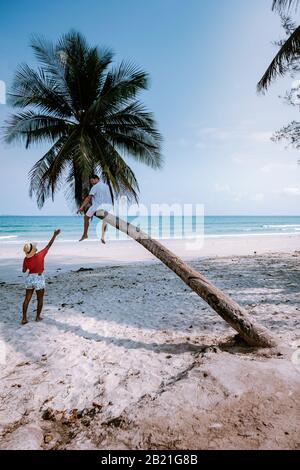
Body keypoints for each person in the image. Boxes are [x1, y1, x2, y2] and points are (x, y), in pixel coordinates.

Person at [21, 229, 61, 325]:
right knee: (40, 299)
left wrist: (29, 265)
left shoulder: (26, 259)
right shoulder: (40, 255)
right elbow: (49, 245)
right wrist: (55, 235)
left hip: (30, 278)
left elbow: (23, 271)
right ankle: (37, 317)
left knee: (27, 299)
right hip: (39, 277)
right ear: (33, 250)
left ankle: (24, 318)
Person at [78, 175, 111, 243]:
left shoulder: (95, 187)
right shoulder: (106, 186)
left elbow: (89, 198)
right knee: (105, 220)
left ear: (97, 179)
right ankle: (102, 237)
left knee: (86, 218)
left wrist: (82, 207)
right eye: (91, 182)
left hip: (97, 207)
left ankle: (85, 234)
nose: (92, 183)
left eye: (92, 181)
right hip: (107, 206)